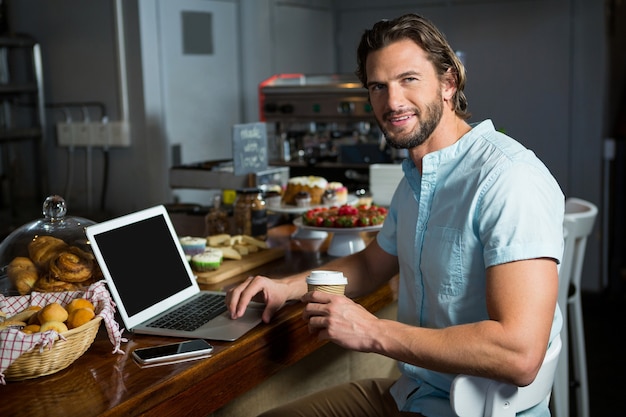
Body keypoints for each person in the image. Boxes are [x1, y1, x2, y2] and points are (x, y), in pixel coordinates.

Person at [227, 13, 564, 417]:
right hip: (417, 394)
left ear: (448, 83)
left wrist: (372, 331)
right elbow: (372, 263)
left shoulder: (509, 179)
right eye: (378, 87)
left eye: (409, 79)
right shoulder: (415, 179)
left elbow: (519, 354)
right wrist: (289, 287)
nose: (393, 102)